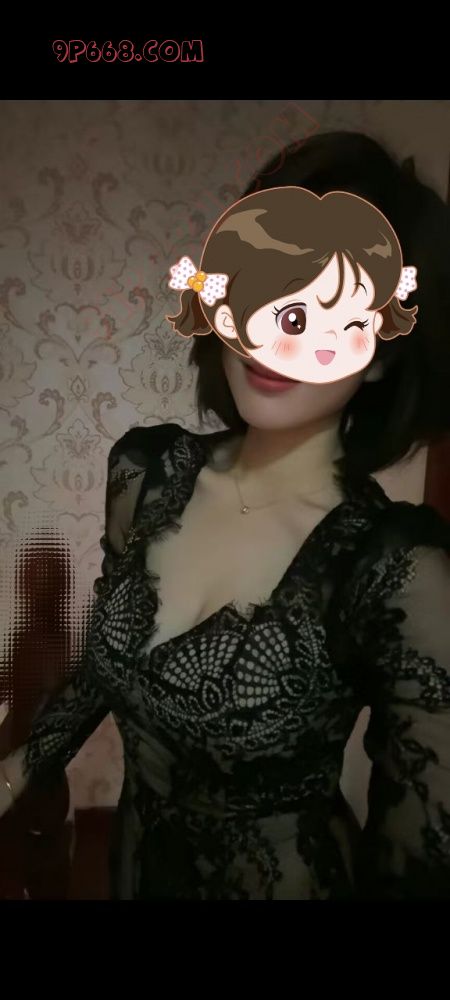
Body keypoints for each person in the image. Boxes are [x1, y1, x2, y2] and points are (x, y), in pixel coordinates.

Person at [1, 130, 450, 900]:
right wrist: (16, 771)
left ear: (381, 350)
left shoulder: (397, 569)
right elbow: (108, 663)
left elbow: (419, 856)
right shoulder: (145, 473)